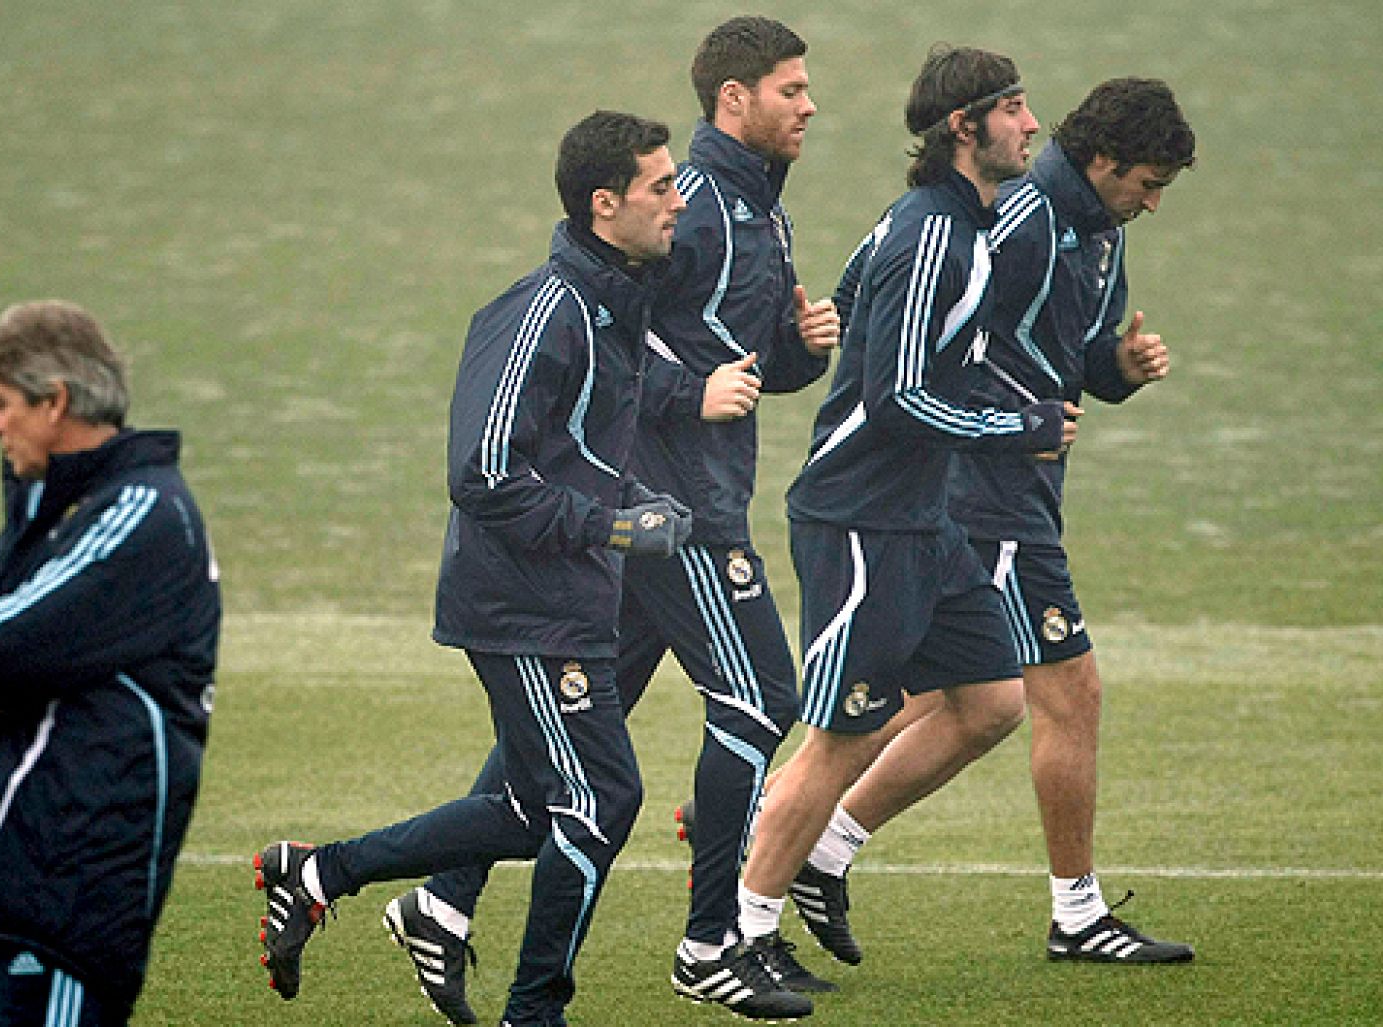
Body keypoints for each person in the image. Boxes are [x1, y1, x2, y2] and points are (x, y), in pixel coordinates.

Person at [383, 17, 838, 1023]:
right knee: (762, 697)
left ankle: (442, 905)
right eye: (792, 89)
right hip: (667, 509)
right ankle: (712, 942)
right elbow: (619, 331)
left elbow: (740, 361)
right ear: (735, 98)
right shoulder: (703, 203)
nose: (810, 106)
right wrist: (688, 399)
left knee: (590, 719)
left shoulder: (760, 209)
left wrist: (801, 351)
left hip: (675, 503)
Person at [252, 110, 691, 1027]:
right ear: (604, 204)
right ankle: (535, 1015)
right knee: (601, 796)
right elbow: (481, 473)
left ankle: (320, 870)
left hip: (567, 598)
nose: (675, 199)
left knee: (536, 812)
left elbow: (577, 450)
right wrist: (614, 528)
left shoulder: (615, 305)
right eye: (659, 185)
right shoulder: (543, 311)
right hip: (522, 603)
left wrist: (642, 512)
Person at [788, 77, 1198, 967]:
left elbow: (1069, 354)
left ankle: (808, 838)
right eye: (1148, 182)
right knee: (1066, 693)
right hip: (988, 492)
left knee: (952, 699)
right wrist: (1007, 423)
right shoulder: (1014, 219)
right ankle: (1076, 912)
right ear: (1103, 162)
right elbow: (910, 331)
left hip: (1017, 490)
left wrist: (1120, 367)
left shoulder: (1095, 229)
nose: (1154, 203)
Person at [732, 44, 1077, 982]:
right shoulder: (937, 234)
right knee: (840, 733)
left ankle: (825, 855)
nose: (1032, 125)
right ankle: (740, 934)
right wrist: (1022, 424)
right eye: (1013, 109)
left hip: (926, 522)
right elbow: (895, 397)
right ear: (964, 128)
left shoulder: (948, 226)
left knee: (991, 698)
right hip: (863, 520)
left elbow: (855, 312)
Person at [0, 300, 223, 1026]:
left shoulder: (143, 512)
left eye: (1, 404)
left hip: (71, 880)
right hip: (27, 867)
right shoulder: (59, 510)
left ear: (56, 402)